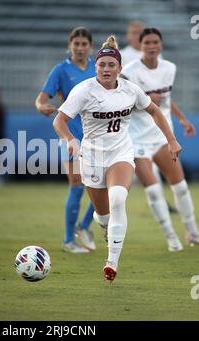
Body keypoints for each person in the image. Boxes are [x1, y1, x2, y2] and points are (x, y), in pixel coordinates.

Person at [53, 35, 181, 281]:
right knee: (102, 215)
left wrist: (171, 140)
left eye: (112, 65)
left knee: (119, 198)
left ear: (120, 68)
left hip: (121, 153)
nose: (106, 69)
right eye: (102, 64)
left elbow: (154, 110)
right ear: (96, 67)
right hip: (91, 157)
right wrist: (70, 139)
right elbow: (59, 120)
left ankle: (111, 262)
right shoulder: (84, 90)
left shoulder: (130, 89)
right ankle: (103, 227)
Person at [121, 28, 199, 252]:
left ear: (161, 45)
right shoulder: (130, 71)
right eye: (147, 42)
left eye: (155, 42)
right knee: (154, 191)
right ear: (141, 46)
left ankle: (192, 232)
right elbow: (122, 102)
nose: (152, 46)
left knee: (181, 187)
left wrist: (182, 119)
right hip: (137, 141)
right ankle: (171, 236)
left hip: (162, 137)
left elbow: (166, 100)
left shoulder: (169, 68)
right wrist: (145, 99)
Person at [35, 26, 97, 253]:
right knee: (78, 185)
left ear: (90, 46)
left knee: (105, 185)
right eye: (76, 44)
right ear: (70, 45)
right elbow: (40, 100)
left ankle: (84, 226)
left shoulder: (97, 68)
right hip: (70, 137)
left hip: (96, 137)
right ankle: (69, 241)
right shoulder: (61, 70)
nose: (80, 48)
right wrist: (42, 107)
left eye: (84, 44)